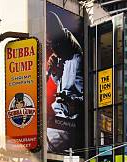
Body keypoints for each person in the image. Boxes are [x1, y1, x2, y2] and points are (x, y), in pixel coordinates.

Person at [46, 11, 83, 153]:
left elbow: (86, 98)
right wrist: (54, 70)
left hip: (69, 122)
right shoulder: (63, 56)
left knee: (45, 147)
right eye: (50, 45)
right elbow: (59, 82)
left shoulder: (78, 61)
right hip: (58, 118)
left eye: (54, 45)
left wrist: (69, 98)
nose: (53, 50)